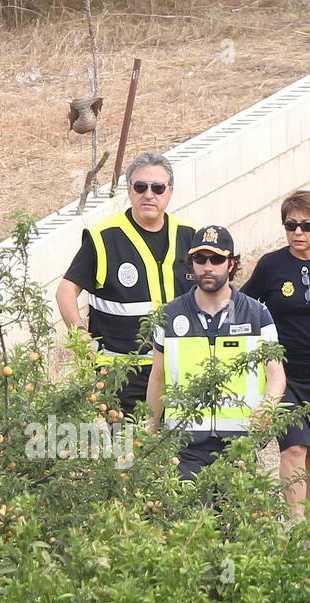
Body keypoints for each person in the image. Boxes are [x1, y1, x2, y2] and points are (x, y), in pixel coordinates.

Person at [56, 152, 197, 416]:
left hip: (181, 369)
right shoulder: (104, 238)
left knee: (181, 453)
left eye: (158, 188)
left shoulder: (190, 237)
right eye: (140, 187)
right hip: (124, 375)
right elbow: (65, 291)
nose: (149, 194)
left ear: (170, 191)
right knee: (132, 453)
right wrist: (80, 336)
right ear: (129, 190)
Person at [146, 225, 286, 480]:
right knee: (192, 518)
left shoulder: (256, 314)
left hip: (240, 444)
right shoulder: (170, 315)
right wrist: (150, 433)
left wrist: (268, 407)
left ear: (231, 264)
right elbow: (158, 377)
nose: (208, 266)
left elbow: (276, 373)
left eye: (217, 259)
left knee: (235, 519)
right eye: (200, 259)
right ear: (191, 264)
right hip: (184, 445)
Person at [241, 190, 310, 518]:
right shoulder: (271, 266)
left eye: (307, 225)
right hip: (284, 377)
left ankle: (308, 526)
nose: (298, 232)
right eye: (291, 225)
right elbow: (243, 309)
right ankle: (296, 527)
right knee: (293, 449)